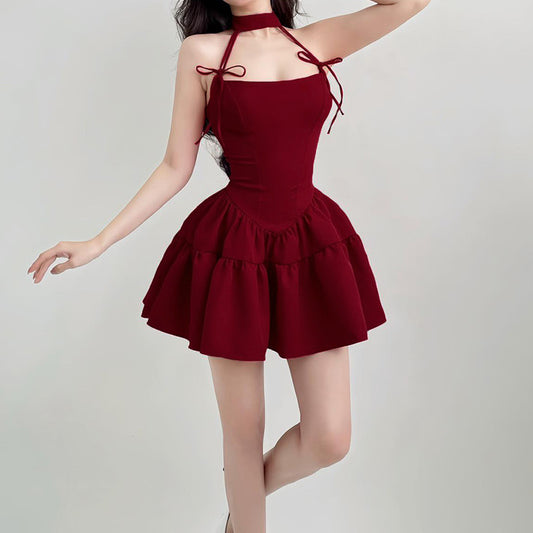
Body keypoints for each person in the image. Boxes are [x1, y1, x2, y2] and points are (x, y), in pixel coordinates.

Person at [27, 1, 431, 531]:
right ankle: (246, 521)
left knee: (330, 438)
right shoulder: (202, 53)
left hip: (311, 243)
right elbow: (176, 165)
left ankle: (240, 511)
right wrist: (98, 242)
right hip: (234, 249)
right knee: (243, 433)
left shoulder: (318, 40)